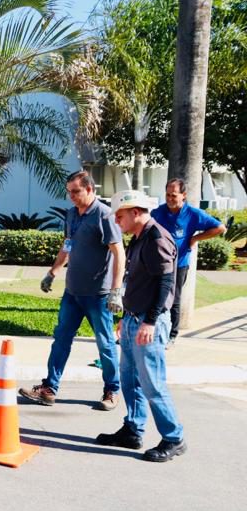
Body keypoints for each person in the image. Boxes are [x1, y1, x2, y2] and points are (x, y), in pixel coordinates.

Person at [19, 171, 124, 410]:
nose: (72, 196)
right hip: (73, 293)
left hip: (98, 295)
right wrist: (52, 272)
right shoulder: (71, 214)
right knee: (61, 340)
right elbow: (67, 245)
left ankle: (112, 390)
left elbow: (119, 253)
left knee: (105, 343)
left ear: (90, 189)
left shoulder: (104, 215)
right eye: (69, 192)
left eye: (76, 191)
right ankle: (49, 388)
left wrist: (116, 291)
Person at [96, 190, 185, 462]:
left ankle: (174, 438)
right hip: (134, 318)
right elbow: (138, 281)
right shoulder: (139, 237)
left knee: (152, 384)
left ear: (135, 212)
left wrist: (150, 321)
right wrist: (127, 316)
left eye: (120, 216)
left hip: (149, 322)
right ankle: (133, 430)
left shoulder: (157, 238)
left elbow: (165, 283)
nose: (117, 221)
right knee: (130, 379)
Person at [150, 178, 226, 344]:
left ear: (183, 195)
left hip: (179, 264)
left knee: (174, 299)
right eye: (168, 195)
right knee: (154, 296)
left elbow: (220, 228)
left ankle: (172, 335)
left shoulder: (192, 213)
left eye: (174, 195)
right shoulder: (158, 212)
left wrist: (195, 238)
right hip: (158, 263)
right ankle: (153, 329)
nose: (170, 198)